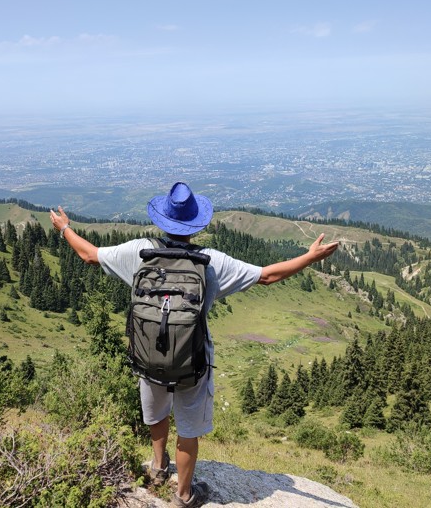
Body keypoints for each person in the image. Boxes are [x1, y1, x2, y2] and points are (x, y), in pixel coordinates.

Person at [50, 182, 339, 507]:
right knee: (188, 428)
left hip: (148, 355)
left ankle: (158, 469)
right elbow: (268, 276)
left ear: (162, 220)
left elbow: (88, 255)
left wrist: (65, 229)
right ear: (195, 224)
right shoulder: (210, 261)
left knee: (156, 412)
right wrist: (311, 257)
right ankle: (184, 496)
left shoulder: (140, 252)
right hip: (193, 360)